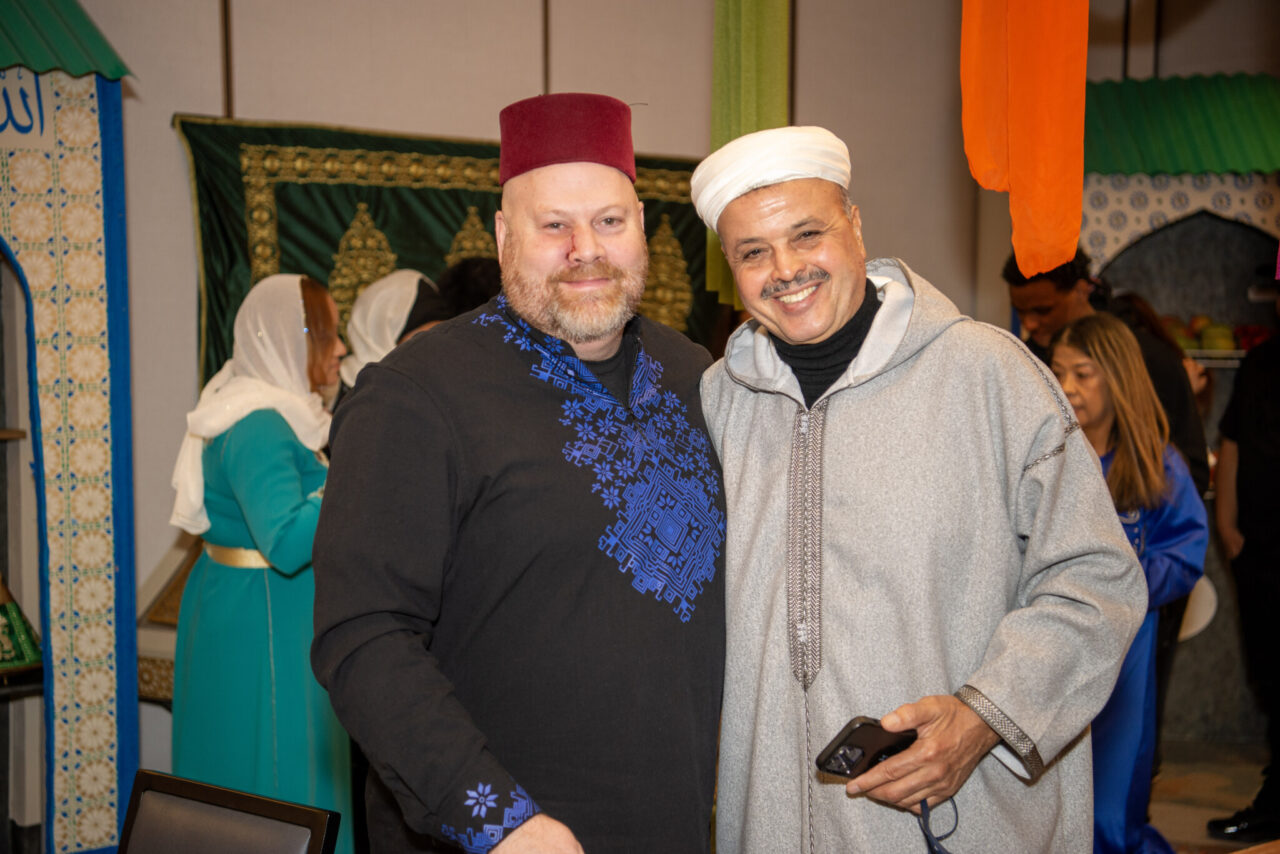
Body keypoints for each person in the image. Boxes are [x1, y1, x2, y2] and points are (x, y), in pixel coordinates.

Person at [689, 126, 1147, 853]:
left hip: (957, 812)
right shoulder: (721, 400)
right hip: (772, 815)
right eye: (753, 252)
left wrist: (984, 717)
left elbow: (1097, 580)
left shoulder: (987, 375)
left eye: (807, 234)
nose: (786, 269)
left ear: (855, 224)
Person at [311, 93, 726, 854]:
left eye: (609, 221)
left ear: (642, 226)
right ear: (505, 235)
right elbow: (363, 635)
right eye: (554, 226)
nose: (586, 250)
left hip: (673, 822)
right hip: (497, 836)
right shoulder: (416, 395)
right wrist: (496, 819)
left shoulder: (695, 374)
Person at [169, 273, 353, 854]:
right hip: (267, 619)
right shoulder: (260, 425)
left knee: (243, 766)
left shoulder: (264, 410)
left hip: (253, 607)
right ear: (289, 340)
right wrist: (349, 481)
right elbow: (286, 542)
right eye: (327, 334)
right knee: (276, 773)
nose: (341, 348)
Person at [1051, 314, 1209, 854]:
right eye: (1058, 372)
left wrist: (1123, 586)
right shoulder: (1045, 456)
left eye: (1083, 373)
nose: (1067, 386)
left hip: (1125, 652)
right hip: (1051, 647)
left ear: (1117, 378)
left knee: (1111, 802)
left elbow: (1184, 554)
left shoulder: (1155, 463)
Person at [1002, 249, 1210, 495]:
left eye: (1043, 310)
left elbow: (1192, 471)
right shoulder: (1024, 362)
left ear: (1081, 291)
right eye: (1020, 311)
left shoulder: (1149, 358)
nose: (1029, 324)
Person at [1207, 299, 1280, 844]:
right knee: (1271, 675)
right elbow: (1231, 441)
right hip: (1260, 553)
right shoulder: (1261, 363)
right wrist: (1227, 524)